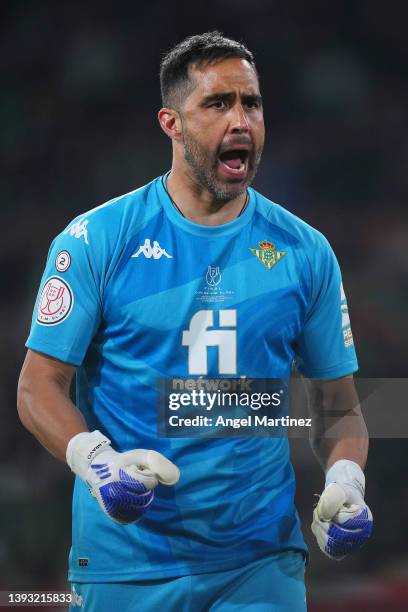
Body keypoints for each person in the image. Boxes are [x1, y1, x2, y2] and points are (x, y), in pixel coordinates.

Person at [17, 31, 373, 611]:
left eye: (251, 103)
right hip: (127, 563)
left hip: (260, 563)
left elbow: (340, 406)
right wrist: (97, 462)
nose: (240, 121)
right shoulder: (97, 241)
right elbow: (37, 387)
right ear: (171, 124)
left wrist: (345, 483)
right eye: (217, 104)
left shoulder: (306, 252)